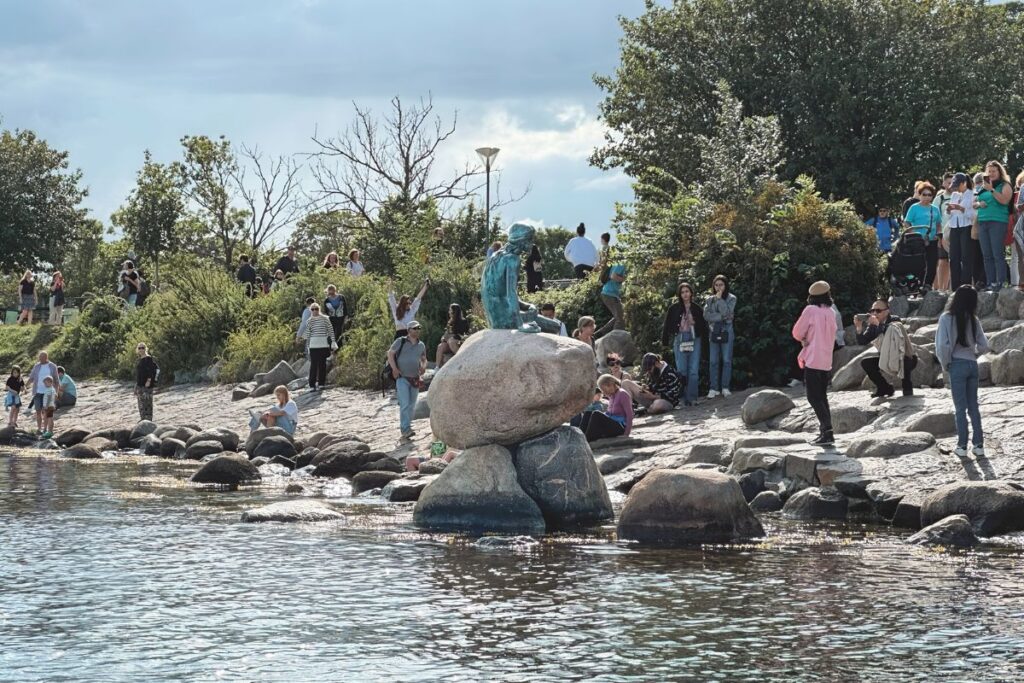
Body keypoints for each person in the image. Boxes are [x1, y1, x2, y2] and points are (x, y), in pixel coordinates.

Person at [935, 285, 989, 458]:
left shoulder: (946, 318)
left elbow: (942, 346)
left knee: (960, 408)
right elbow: (985, 345)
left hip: (956, 365)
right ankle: (979, 445)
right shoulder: (974, 319)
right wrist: (974, 354)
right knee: (974, 406)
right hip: (972, 365)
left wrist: (946, 364)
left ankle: (962, 446)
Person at [792, 281, 839, 446]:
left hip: (813, 358)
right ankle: (827, 431)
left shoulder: (810, 310)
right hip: (826, 360)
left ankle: (827, 431)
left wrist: (804, 339)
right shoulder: (831, 312)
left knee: (813, 396)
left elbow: (797, 332)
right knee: (822, 396)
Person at [854, 300, 917, 398]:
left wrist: (878, 325)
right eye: (872, 310)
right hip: (886, 358)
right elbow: (862, 341)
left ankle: (907, 387)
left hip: (903, 356)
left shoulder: (895, 320)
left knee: (905, 360)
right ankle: (884, 388)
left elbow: (892, 332)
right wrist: (859, 327)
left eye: (878, 311)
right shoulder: (873, 325)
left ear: (887, 311)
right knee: (866, 363)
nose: (874, 313)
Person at [661, 282, 706, 406]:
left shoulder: (697, 308)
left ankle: (692, 398)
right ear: (679, 294)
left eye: (687, 291)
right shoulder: (674, 308)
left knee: (693, 370)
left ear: (691, 293)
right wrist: (664, 341)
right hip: (680, 338)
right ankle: (682, 399)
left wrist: (694, 322)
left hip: (694, 339)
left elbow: (703, 327)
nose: (685, 294)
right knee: (681, 370)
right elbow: (667, 325)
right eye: (682, 292)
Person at [973, 160, 1013, 291]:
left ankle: (1000, 283)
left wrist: (992, 190)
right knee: (987, 255)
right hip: (983, 222)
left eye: (993, 171)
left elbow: (1004, 201)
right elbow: (975, 203)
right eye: (988, 171)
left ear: (999, 172)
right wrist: (979, 204)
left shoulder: (1004, 185)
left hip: (997, 222)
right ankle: (991, 283)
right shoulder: (982, 187)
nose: (990, 173)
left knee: (997, 254)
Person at [387, 320, 427, 441]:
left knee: (412, 405)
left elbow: (424, 358)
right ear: (409, 330)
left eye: (419, 328)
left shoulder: (421, 345)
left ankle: (407, 426)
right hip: (402, 378)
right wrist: (394, 369)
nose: (417, 330)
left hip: (414, 378)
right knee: (404, 404)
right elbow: (390, 353)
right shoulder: (401, 341)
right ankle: (405, 429)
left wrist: (423, 367)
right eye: (415, 328)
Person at [903, 181, 942, 292]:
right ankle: (915, 286)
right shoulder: (914, 208)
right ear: (919, 195)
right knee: (918, 264)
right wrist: (914, 233)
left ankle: (927, 285)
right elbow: (907, 222)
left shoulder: (935, 209)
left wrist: (939, 236)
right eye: (924, 194)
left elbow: (939, 223)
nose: (926, 197)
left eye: (929, 195)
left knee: (932, 263)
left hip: (932, 240)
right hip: (917, 240)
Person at [574, 374, 634, 442]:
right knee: (588, 413)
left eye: (603, 389)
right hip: (611, 424)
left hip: (620, 427)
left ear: (610, 385)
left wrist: (626, 434)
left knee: (596, 414)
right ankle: (579, 438)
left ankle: (587, 440)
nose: (603, 392)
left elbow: (630, 415)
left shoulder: (622, 394)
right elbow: (609, 413)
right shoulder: (612, 396)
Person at [704, 274, 736, 398]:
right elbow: (706, 316)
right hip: (713, 332)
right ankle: (713, 388)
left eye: (721, 285)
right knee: (713, 361)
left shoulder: (732, 298)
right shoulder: (709, 299)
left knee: (727, 360)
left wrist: (719, 300)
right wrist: (721, 317)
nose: (718, 288)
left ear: (725, 285)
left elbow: (727, 313)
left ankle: (725, 387)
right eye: (716, 285)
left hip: (727, 331)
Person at [946, 172, 976, 290]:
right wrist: (948, 210)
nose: (956, 188)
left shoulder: (972, 194)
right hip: (954, 227)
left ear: (964, 183)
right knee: (954, 257)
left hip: (966, 227)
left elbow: (973, 215)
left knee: (966, 257)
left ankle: (965, 285)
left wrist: (961, 209)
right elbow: (949, 216)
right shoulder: (954, 195)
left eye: (958, 185)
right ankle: (955, 287)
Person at [302, 303, 336, 392]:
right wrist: (308, 347)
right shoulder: (309, 321)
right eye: (312, 309)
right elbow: (308, 334)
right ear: (310, 311)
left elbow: (330, 330)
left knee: (322, 364)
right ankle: (312, 384)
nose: (314, 311)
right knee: (313, 365)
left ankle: (321, 383)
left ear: (319, 309)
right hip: (313, 345)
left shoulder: (325, 319)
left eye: (316, 309)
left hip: (323, 344)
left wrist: (333, 341)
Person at [27, 351, 58, 434]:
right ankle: (39, 428)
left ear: (46, 357)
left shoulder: (52, 366)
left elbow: (56, 380)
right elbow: (32, 377)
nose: (40, 359)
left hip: (48, 393)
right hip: (37, 392)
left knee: (46, 411)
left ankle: (45, 429)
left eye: (41, 358)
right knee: (38, 411)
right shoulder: (37, 366)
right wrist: (26, 385)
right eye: (39, 358)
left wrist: (56, 392)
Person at [596, 258, 627, 337]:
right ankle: (616, 339)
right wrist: (626, 280)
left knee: (619, 316)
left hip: (611, 294)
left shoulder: (621, 263)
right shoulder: (622, 263)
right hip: (609, 294)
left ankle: (599, 334)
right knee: (621, 319)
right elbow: (613, 276)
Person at [934, 173, 954, 291]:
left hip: (957, 232)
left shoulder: (960, 196)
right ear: (943, 183)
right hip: (943, 234)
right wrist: (939, 236)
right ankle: (941, 289)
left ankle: (951, 288)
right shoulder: (939, 198)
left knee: (955, 261)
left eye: (953, 182)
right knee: (942, 261)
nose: (951, 185)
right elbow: (936, 219)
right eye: (948, 182)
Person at [435, 303, 470, 369]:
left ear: (454, 311)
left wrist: (452, 336)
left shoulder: (463, 321)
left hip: (458, 341)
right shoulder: (450, 322)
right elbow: (447, 332)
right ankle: (437, 367)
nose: (449, 312)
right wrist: (444, 337)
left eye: (450, 310)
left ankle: (461, 359)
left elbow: (463, 335)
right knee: (440, 346)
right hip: (449, 341)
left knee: (451, 341)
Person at [135, 343, 159, 421]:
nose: (141, 349)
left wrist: (149, 380)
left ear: (145, 348)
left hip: (147, 385)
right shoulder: (140, 360)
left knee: (147, 403)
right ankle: (143, 419)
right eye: (139, 348)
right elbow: (139, 374)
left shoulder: (148, 359)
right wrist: (136, 386)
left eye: (142, 347)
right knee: (141, 404)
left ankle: (148, 420)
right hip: (140, 385)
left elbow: (151, 371)